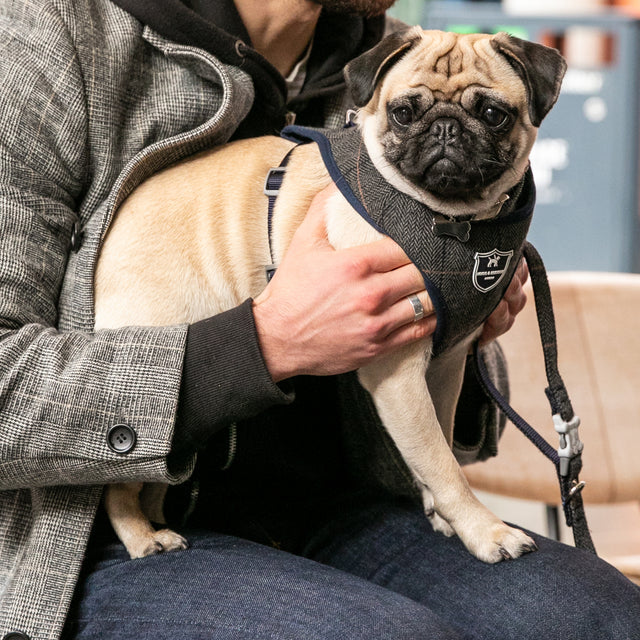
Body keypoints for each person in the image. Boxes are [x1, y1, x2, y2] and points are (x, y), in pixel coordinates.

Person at [0, 1, 638, 638]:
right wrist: (263, 344)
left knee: (602, 615)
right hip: (85, 534)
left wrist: (462, 318)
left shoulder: (397, 51)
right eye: (415, 114)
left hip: (346, 510)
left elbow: (417, 383)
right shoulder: (50, 39)